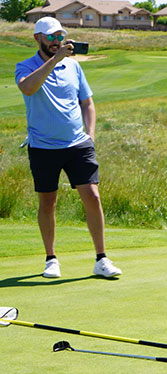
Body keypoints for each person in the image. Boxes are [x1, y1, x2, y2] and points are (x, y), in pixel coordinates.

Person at [15, 17, 121, 280]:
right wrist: (56, 59)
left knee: (93, 197)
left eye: (60, 36)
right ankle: (51, 259)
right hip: (42, 146)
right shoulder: (25, 66)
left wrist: (91, 135)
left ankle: (101, 258)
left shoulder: (74, 67)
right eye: (51, 37)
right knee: (48, 202)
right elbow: (28, 88)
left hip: (77, 144)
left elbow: (87, 102)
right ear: (37, 38)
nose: (56, 41)